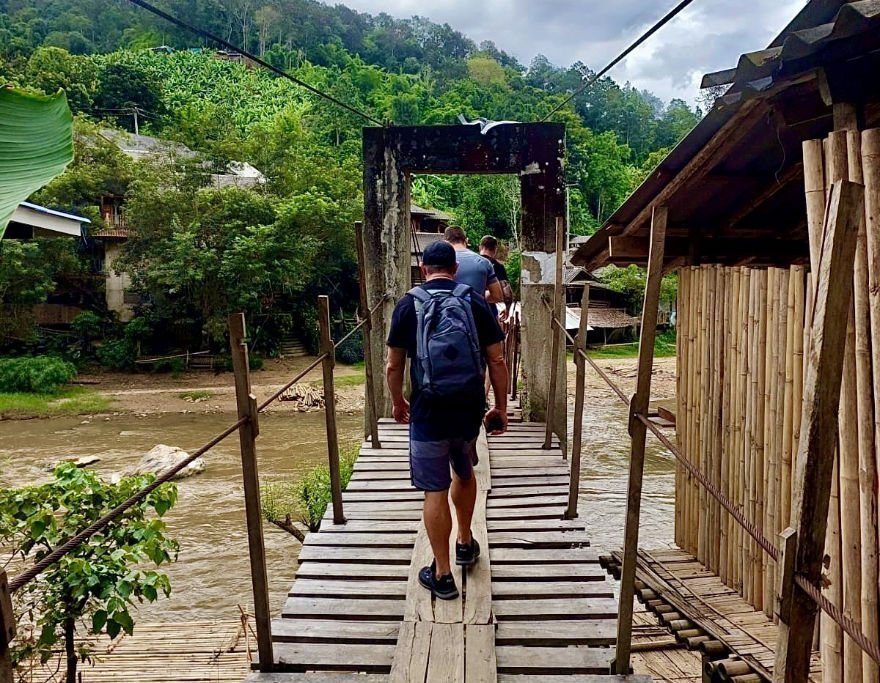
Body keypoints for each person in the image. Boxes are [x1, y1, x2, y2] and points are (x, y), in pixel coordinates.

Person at [386, 240, 509, 600]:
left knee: (434, 490)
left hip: (428, 409)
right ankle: (466, 541)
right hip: (469, 407)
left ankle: (441, 573)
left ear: (423, 269)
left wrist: (398, 402)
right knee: (464, 471)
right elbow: (497, 361)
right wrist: (499, 407)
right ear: (454, 269)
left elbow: (394, 365)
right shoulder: (474, 301)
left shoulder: (409, 304)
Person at [443, 226, 504, 306]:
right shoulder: (484, 262)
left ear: (444, 242)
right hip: (476, 315)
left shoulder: (439, 262)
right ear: (466, 241)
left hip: (447, 314)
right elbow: (497, 296)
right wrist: (476, 295)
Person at [478, 235, 513, 322]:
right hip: (490, 308)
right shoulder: (498, 267)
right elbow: (507, 292)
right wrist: (507, 309)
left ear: (480, 247)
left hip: (471, 307)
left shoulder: (473, 262)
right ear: (495, 249)